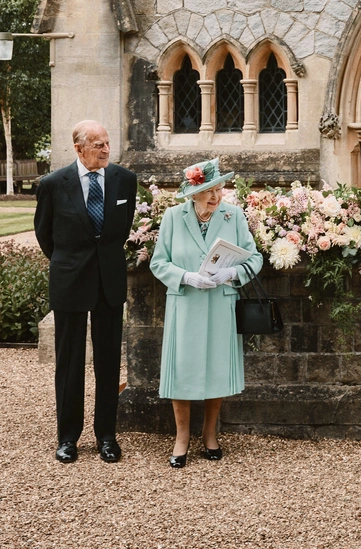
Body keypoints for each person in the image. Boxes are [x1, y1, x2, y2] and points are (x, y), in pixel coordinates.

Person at [34, 120, 138, 464]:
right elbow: (44, 234)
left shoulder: (125, 180)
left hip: (109, 281)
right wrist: (70, 263)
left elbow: (121, 229)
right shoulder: (53, 184)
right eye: (98, 145)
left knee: (108, 362)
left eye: (107, 143)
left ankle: (107, 436)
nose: (106, 150)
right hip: (69, 280)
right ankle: (67, 438)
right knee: (69, 362)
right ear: (79, 149)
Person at [150, 158, 263, 468]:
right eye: (209, 190)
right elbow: (158, 262)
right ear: (193, 193)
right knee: (182, 370)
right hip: (185, 303)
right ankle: (182, 437)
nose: (216, 196)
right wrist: (186, 277)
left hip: (220, 302)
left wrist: (232, 274)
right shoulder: (173, 217)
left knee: (216, 368)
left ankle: (210, 434)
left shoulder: (233, 215)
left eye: (219, 189)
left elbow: (254, 259)